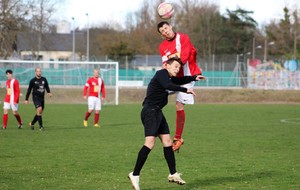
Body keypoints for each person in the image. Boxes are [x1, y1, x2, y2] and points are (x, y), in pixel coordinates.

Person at [128, 57, 205, 190]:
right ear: (166, 66)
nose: (177, 69)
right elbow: (168, 86)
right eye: (175, 66)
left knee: (167, 142)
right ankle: (135, 174)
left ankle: (173, 173)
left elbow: (179, 80)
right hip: (150, 111)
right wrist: (186, 90)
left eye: (179, 68)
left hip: (157, 112)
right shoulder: (161, 74)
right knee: (150, 143)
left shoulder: (168, 77)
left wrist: (193, 78)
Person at [157, 21, 203, 152]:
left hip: (187, 75)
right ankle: (157, 128)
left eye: (166, 28)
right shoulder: (163, 46)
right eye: (162, 31)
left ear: (170, 26)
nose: (165, 31)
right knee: (158, 98)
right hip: (173, 77)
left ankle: (178, 138)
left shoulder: (183, 38)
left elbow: (185, 56)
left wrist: (174, 64)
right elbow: (165, 63)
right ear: (161, 35)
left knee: (179, 104)